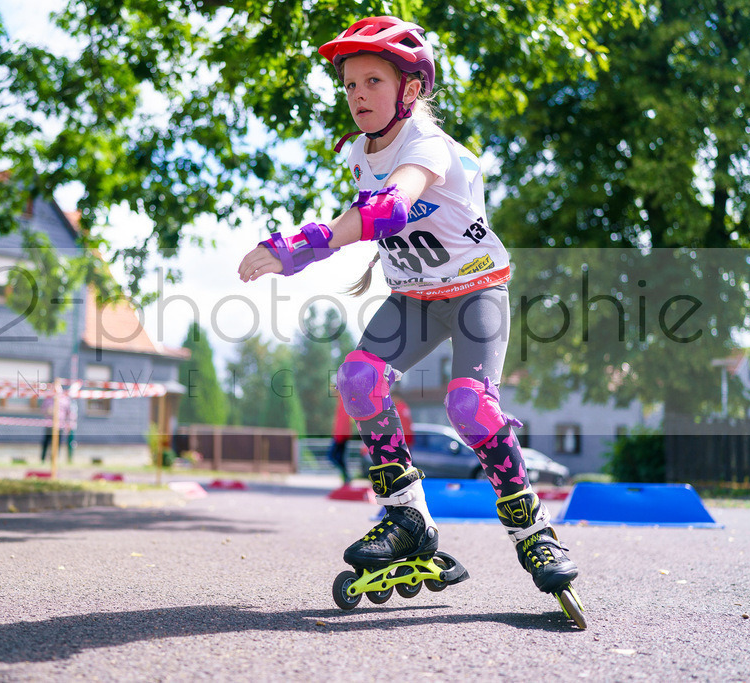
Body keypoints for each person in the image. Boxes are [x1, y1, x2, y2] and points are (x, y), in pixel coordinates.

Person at [237, 15, 577, 596]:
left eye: (372, 81)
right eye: (348, 85)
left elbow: (391, 209)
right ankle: (407, 518)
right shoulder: (360, 153)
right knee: (358, 378)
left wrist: (297, 246)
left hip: (475, 291)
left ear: (410, 90)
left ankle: (532, 531)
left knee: (470, 406)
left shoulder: (427, 146)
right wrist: (304, 249)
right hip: (414, 297)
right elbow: (363, 220)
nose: (357, 95)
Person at [326, 395, 355, 484]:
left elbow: (343, 419)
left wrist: (339, 436)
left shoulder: (344, 399)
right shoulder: (342, 399)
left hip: (341, 435)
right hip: (342, 434)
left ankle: (346, 475)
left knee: (332, 456)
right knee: (340, 458)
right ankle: (346, 477)